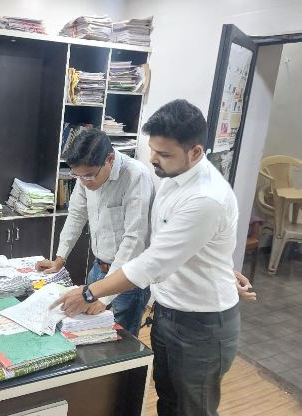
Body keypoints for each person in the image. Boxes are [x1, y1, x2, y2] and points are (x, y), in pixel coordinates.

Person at [51, 100, 242, 416]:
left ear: (195, 152)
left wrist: (90, 292)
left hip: (201, 323)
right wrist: (223, 266)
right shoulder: (171, 178)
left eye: (163, 153)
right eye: (152, 149)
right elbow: (168, 238)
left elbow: (151, 259)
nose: (153, 158)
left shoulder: (206, 198)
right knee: (168, 398)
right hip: (167, 309)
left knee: (193, 408)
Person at [36, 128, 153, 336]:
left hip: (127, 278)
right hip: (98, 269)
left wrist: (104, 297)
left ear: (110, 159)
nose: (84, 182)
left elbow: (134, 240)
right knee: (88, 334)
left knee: (120, 343)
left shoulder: (136, 176)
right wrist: (60, 258)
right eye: (78, 176)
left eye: (89, 176)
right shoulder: (86, 175)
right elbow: (76, 215)